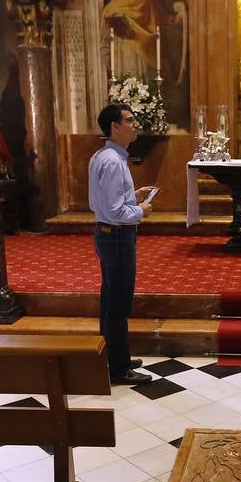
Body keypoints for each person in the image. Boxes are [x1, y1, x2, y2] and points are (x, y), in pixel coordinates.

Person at [90, 102, 156, 385]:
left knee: (110, 300)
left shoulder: (104, 156)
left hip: (108, 234)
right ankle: (118, 368)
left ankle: (113, 356)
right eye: (130, 120)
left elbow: (104, 202)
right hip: (117, 236)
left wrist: (134, 197)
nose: (136, 124)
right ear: (114, 126)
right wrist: (142, 210)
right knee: (117, 304)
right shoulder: (113, 161)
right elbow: (116, 212)